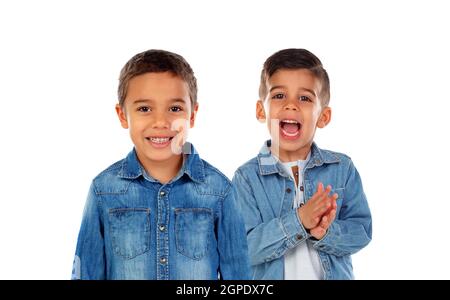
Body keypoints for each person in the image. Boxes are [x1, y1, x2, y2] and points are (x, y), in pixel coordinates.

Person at [72, 49, 250, 280]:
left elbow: (239, 277)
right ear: (123, 115)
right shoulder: (104, 190)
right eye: (145, 109)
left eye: (174, 109)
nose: (160, 122)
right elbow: (86, 273)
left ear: (192, 115)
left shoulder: (219, 191)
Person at [232, 48, 372, 279]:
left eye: (305, 98)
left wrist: (325, 232)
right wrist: (299, 221)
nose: (291, 105)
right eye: (279, 96)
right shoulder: (247, 177)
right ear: (261, 111)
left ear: (323, 117)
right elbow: (243, 248)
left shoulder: (341, 168)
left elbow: (361, 231)